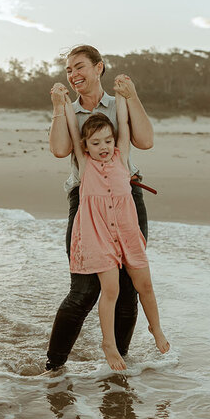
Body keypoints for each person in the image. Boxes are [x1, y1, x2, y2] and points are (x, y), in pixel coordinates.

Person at [46, 45, 154, 371]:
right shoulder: (69, 109)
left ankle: (117, 363)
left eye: (79, 67)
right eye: (68, 70)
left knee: (127, 289)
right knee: (83, 289)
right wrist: (56, 108)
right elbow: (59, 149)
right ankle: (54, 368)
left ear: (99, 68)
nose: (74, 74)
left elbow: (145, 140)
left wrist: (133, 96)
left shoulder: (119, 102)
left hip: (126, 197)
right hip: (85, 200)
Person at [57, 92, 169, 370]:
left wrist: (121, 95)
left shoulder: (121, 158)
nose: (104, 146)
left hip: (127, 232)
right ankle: (108, 344)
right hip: (99, 237)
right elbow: (72, 129)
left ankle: (156, 329)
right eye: (96, 143)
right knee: (111, 290)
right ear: (85, 146)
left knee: (145, 285)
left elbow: (124, 125)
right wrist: (61, 102)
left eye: (107, 140)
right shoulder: (85, 166)